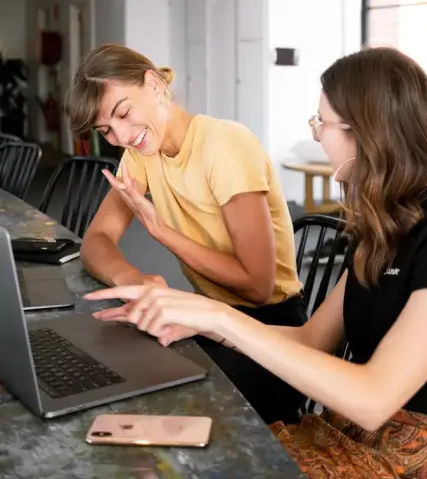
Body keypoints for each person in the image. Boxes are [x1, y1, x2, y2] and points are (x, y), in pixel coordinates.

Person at [86, 46, 427, 479]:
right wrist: (203, 324)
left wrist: (218, 316)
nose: (318, 134)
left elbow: (373, 398)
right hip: (343, 435)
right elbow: (310, 339)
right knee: (158, 454)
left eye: (322, 122)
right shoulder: (386, 226)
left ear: (367, 130)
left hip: (408, 461)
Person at [67, 43, 306, 424]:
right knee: (115, 362)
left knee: (154, 395)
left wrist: (163, 232)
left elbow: (258, 286)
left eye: (124, 113)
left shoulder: (225, 144)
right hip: (208, 317)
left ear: (154, 84)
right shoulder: (143, 154)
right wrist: (135, 279)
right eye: (106, 130)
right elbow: (96, 242)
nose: (122, 137)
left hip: (271, 334)